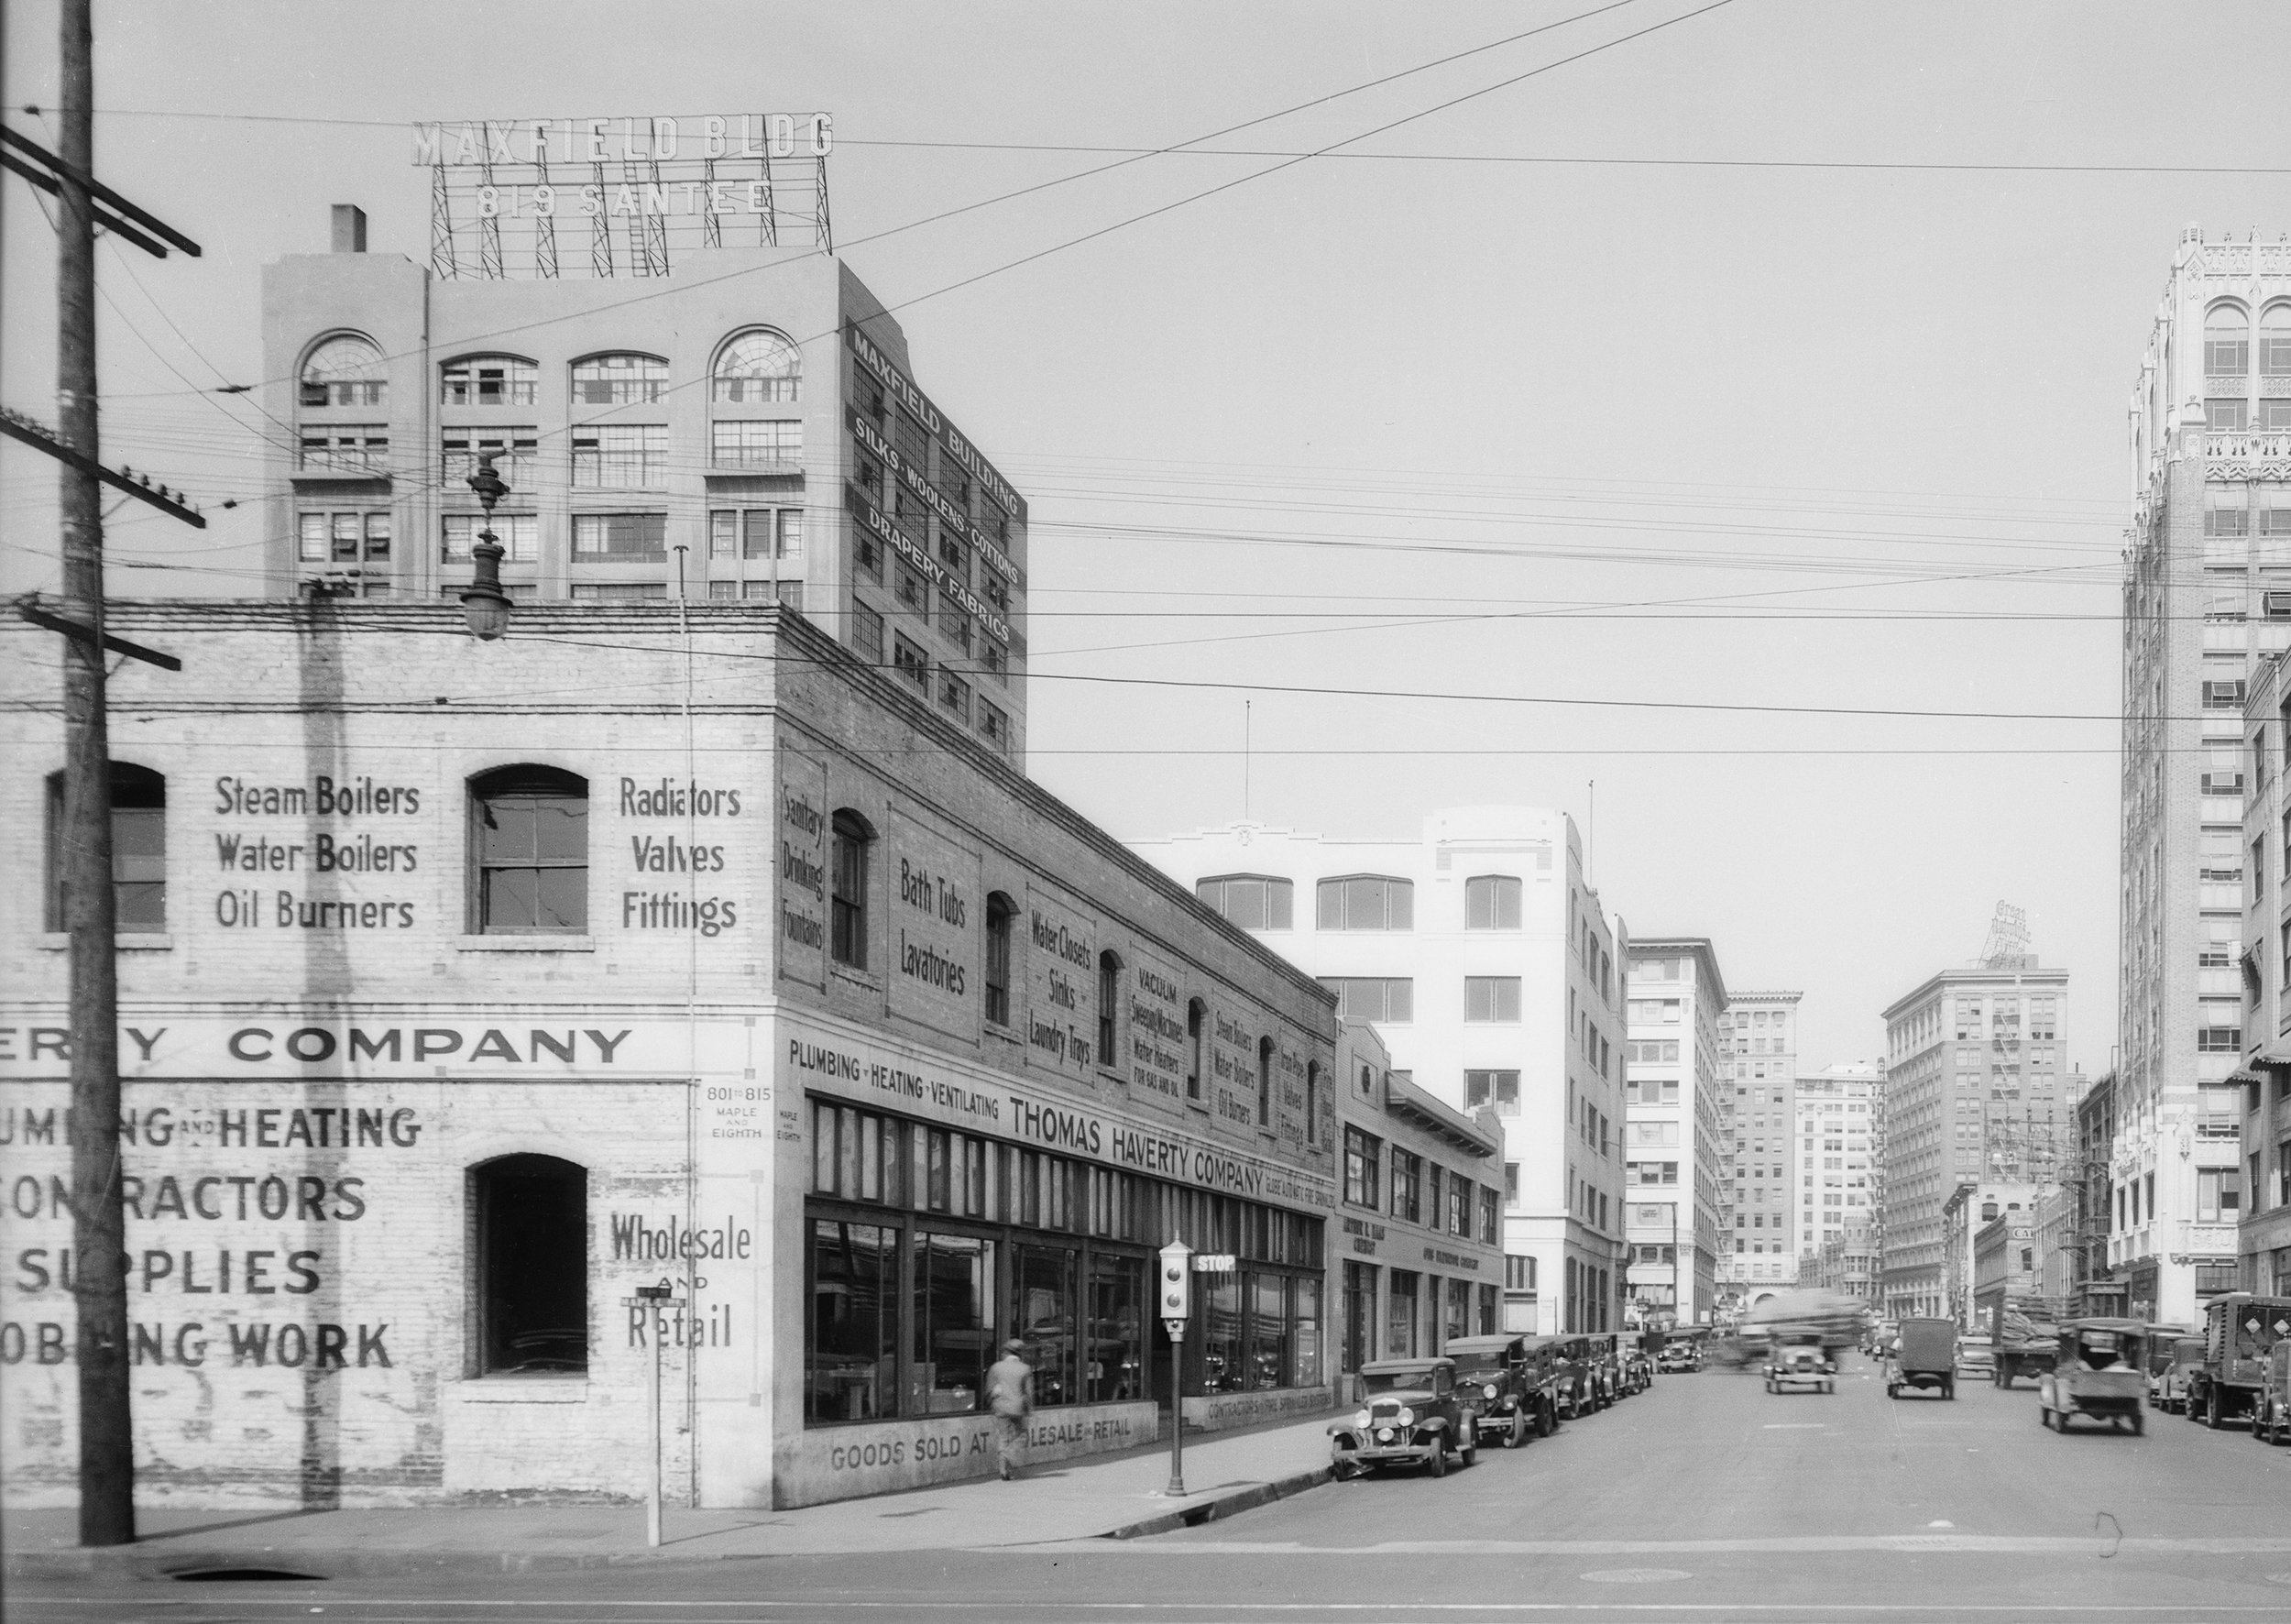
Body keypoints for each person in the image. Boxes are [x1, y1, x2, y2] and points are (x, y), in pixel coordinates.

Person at [986, 1338, 1035, 1481]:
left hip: (1000, 1407)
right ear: (1019, 1353)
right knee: (1021, 1436)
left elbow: (989, 1388)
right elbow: (1029, 1392)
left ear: (1006, 1352)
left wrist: (992, 1404)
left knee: (1003, 1436)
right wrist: (1031, 1409)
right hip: (1018, 1408)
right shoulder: (1024, 1368)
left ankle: (1003, 1471)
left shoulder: (996, 1367)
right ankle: (1008, 1455)